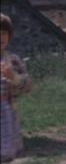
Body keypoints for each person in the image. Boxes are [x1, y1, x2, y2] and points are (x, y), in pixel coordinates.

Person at [1, 13, 32, 163]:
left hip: (5, 110)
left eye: (3, 33)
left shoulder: (13, 60)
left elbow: (27, 86)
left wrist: (13, 77)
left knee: (5, 152)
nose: (0, 37)